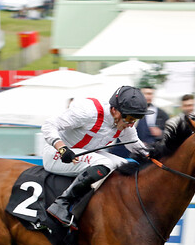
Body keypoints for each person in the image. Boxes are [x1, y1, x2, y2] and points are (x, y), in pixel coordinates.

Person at [41, 86, 153, 226]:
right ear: (114, 110)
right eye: (130, 118)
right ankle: (61, 204)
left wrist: (156, 157)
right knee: (105, 163)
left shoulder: (125, 123)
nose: (131, 124)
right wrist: (62, 148)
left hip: (86, 154)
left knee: (126, 165)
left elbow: (135, 145)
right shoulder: (88, 112)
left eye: (136, 119)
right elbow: (48, 125)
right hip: (57, 155)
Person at [110, 86, 168, 157]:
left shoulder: (162, 114)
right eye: (146, 94)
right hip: (123, 152)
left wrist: (161, 133)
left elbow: (168, 133)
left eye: (150, 94)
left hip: (145, 152)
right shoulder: (125, 110)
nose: (148, 96)